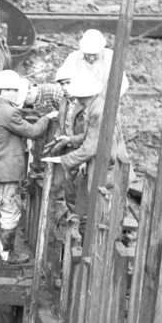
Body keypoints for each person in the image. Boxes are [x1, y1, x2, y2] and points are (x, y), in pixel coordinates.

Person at [0, 68, 58, 266]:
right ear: (5, 91)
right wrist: (47, 118)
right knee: (9, 213)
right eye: (14, 90)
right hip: (6, 173)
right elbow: (33, 132)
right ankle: (7, 255)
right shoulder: (10, 112)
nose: (17, 94)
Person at [44, 64, 130, 238]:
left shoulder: (97, 110)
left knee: (105, 212)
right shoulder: (96, 105)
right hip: (105, 163)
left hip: (109, 166)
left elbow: (91, 147)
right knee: (96, 207)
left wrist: (65, 160)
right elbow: (91, 135)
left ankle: (105, 244)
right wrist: (71, 140)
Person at [57, 28, 130, 98]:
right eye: (88, 54)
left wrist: (109, 99)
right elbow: (61, 80)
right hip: (79, 100)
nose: (91, 58)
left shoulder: (110, 57)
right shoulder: (73, 58)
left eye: (95, 54)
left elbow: (123, 83)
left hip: (103, 99)